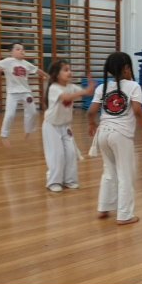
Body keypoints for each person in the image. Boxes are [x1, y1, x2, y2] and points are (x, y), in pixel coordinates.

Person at [88, 52, 142, 225]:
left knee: (109, 171)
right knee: (125, 175)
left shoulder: (102, 88)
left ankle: (103, 207)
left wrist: (91, 124)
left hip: (103, 133)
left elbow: (91, 111)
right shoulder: (133, 86)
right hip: (120, 135)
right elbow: (138, 111)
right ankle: (124, 215)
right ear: (126, 69)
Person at [42, 61, 96, 193]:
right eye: (66, 70)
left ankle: (69, 180)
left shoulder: (71, 86)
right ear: (56, 74)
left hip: (65, 126)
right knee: (57, 155)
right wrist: (84, 91)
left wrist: (90, 87)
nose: (69, 72)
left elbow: (88, 93)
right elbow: (66, 97)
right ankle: (54, 181)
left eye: (70, 69)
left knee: (71, 153)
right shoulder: (54, 88)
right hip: (51, 126)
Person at [0, 43, 48, 146]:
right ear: (12, 52)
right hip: (12, 93)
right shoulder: (8, 61)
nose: (21, 51)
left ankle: (28, 130)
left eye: (23, 49)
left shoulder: (26, 63)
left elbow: (37, 70)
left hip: (26, 92)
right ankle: (4, 135)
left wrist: (47, 76)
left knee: (33, 112)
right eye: (18, 49)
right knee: (10, 114)